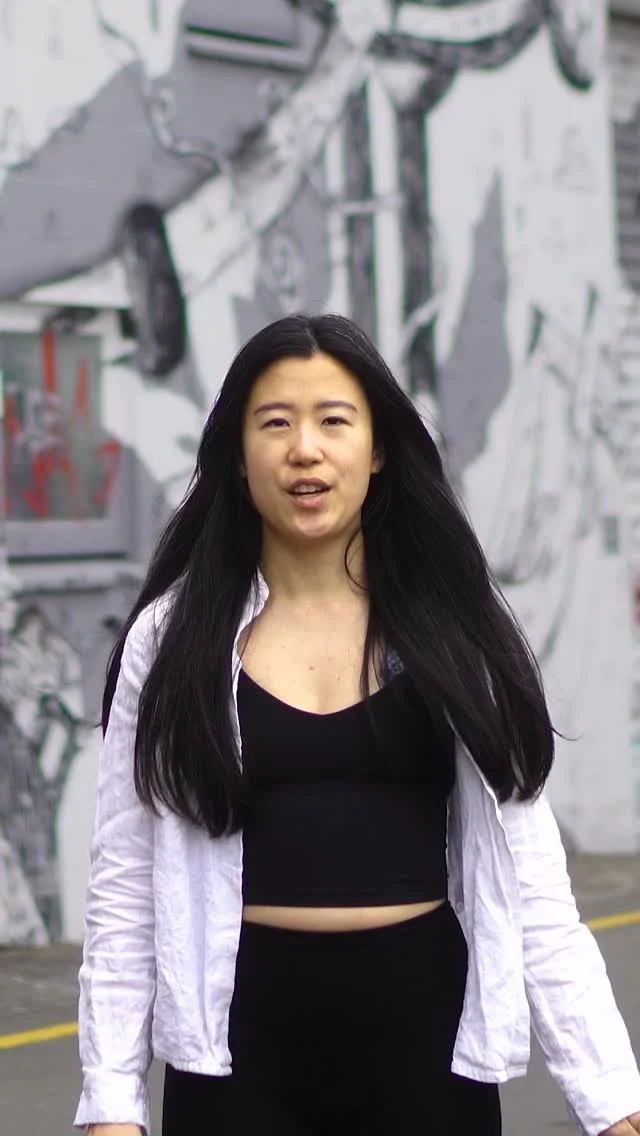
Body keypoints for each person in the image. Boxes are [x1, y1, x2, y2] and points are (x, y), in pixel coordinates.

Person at [75, 313, 640, 1136]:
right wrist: (110, 1102)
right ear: (237, 456)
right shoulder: (170, 640)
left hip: (428, 1054)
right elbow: (124, 889)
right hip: (235, 1062)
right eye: (276, 424)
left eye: (334, 421)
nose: (305, 450)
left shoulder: (457, 628)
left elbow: (533, 888)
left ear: (377, 449)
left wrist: (614, 1100)